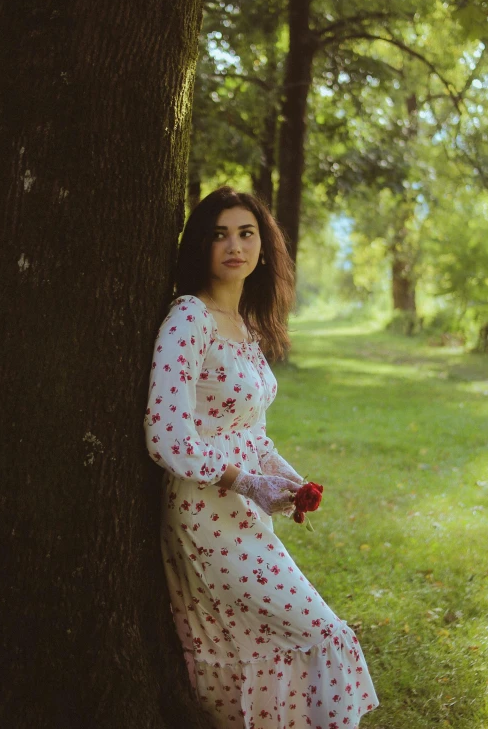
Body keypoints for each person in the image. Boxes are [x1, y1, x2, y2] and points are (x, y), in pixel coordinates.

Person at [144, 186, 378, 728]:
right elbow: (167, 437)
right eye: (219, 233)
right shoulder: (189, 319)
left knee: (273, 639)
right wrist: (247, 483)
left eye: (246, 233)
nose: (234, 245)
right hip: (204, 514)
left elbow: (253, 434)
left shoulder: (246, 325)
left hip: (242, 510)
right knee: (317, 631)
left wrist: (288, 481)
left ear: (263, 247)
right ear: (199, 245)